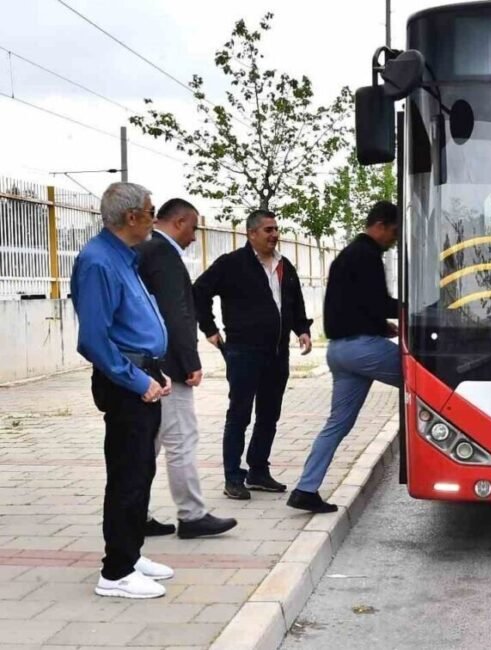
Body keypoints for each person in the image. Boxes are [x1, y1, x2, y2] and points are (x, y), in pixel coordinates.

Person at [71, 182, 175, 598]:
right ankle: (115, 572)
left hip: (143, 376)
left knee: (140, 471)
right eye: (151, 211)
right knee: (127, 476)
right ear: (132, 216)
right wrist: (138, 380)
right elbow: (93, 340)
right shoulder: (97, 262)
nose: (154, 217)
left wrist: (157, 371)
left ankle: (129, 554)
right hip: (125, 383)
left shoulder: (122, 258)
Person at [288, 201, 401, 513]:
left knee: (337, 423)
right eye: (394, 231)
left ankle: (305, 489)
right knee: (428, 379)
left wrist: (381, 324)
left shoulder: (347, 256)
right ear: (379, 225)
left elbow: (356, 303)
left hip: (339, 351)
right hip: (362, 349)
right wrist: (416, 307)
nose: (395, 238)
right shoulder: (368, 256)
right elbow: (378, 303)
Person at [135, 199, 238, 539]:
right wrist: (190, 362)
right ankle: (192, 516)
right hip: (167, 367)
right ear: (179, 222)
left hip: (144, 364)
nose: (195, 237)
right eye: (193, 228)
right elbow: (175, 313)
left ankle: (135, 513)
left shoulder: (143, 249)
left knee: (147, 443)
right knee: (181, 439)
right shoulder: (163, 255)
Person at [193, 209, 313, 500]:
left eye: (276, 229)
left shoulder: (284, 265)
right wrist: (209, 328)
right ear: (252, 234)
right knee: (239, 415)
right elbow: (198, 291)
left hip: (277, 353)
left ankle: (258, 470)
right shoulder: (232, 264)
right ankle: (233, 477)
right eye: (268, 230)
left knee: (269, 414)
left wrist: (302, 330)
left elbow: (293, 301)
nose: (274, 235)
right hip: (244, 352)